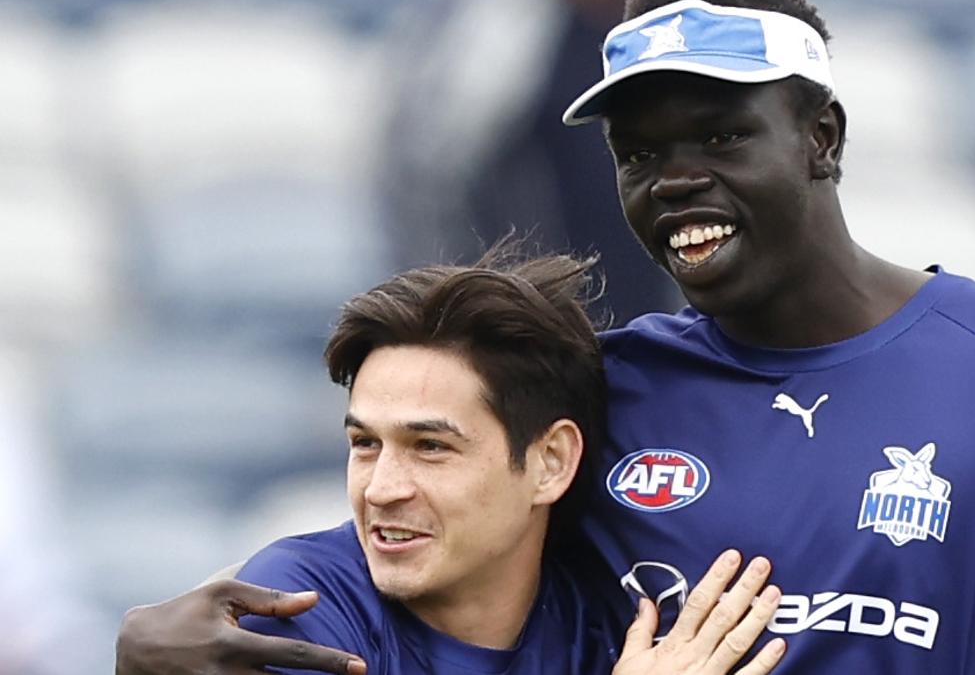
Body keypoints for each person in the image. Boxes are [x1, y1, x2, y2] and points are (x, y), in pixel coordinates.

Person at [115, 0, 975, 673]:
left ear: (821, 138)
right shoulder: (603, 390)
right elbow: (394, 541)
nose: (672, 179)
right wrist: (164, 639)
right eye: (639, 155)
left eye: (719, 137)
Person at [114, 247, 786, 675]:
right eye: (364, 443)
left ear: (550, 462)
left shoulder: (613, 615)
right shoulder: (301, 603)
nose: (381, 489)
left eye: (430, 447)